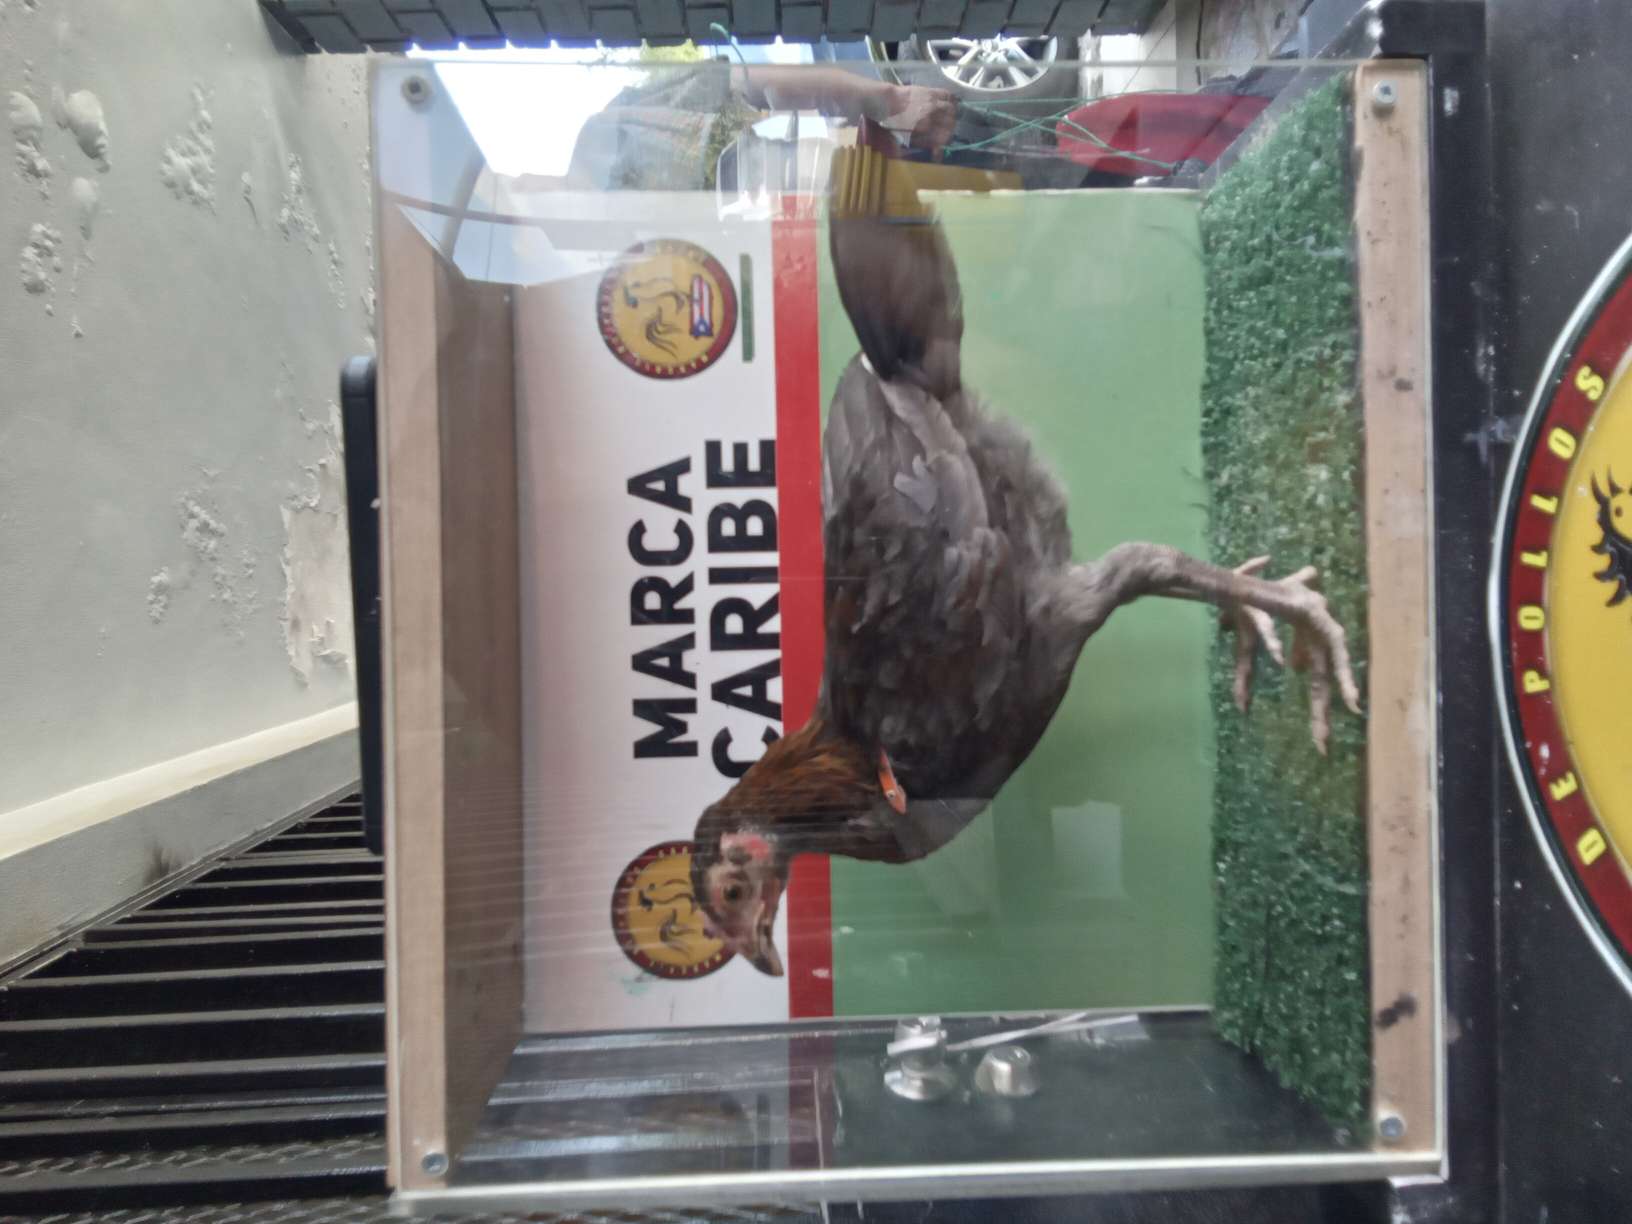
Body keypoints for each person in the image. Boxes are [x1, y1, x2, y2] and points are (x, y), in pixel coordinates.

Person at [565, 58, 958, 191]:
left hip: (861, 173)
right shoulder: (579, 293)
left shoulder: (610, 131)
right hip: (849, 254)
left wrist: (892, 101)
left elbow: (757, 84)